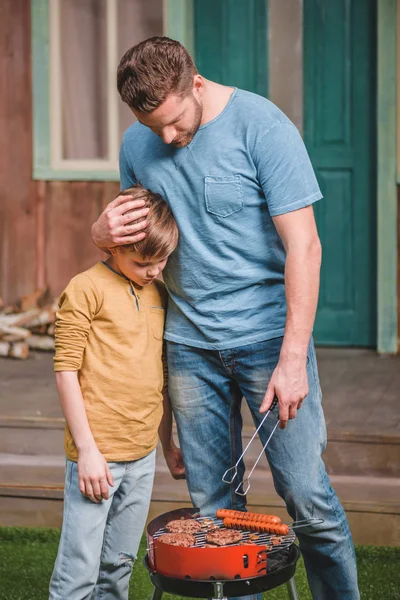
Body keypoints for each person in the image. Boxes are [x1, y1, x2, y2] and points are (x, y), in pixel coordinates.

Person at [92, 37, 360, 600]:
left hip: (269, 344)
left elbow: (304, 248)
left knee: (308, 499)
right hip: (189, 346)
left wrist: (293, 360)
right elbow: (137, 249)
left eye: (173, 122)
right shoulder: (138, 143)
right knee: (214, 514)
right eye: (151, 126)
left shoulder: (263, 127)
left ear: (195, 83)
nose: (165, 138)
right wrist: (100, 236)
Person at [49, 184, 183, 600]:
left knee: (118, 569)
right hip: (98, 456)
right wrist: (87, 450)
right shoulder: (85, 288)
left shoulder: (158, 292)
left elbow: (158, 376)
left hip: (141, 455)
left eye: (163, 260)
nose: (155, 270)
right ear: (114, 247)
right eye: (144, 261)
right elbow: (66, 370)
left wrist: (166, 442)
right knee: (79, 573)